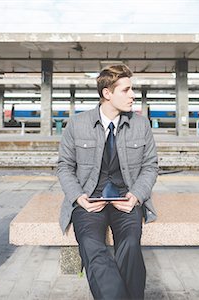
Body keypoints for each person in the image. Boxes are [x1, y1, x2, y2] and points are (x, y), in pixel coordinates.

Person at [57, 64, 158, 299]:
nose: (133, 95)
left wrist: (136, 196)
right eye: (126, 90)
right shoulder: (77, 124)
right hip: (88, 200)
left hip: (126, 199)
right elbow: (64, 167)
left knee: (131, 245)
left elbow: (150, 166)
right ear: (107, 94)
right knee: (92, 245)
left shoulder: (141, 125)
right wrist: (79, 198)